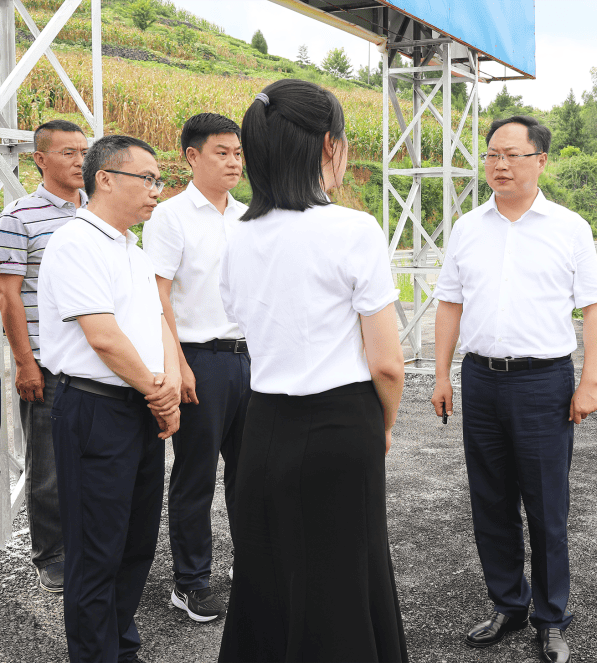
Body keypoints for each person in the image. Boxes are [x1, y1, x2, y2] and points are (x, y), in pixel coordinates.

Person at [216, 79, 408, 663]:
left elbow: (240, 321)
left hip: (265, 424)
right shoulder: (353, 230)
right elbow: (388, 365)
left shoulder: (239, 236)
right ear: (329, 146)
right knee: (345, 579)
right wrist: (385, 424)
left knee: (267, 575)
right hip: (340, 421)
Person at [430, 115, 597, 663]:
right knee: (490, 499)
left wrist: (590, 382)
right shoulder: (468, 227)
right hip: (482, 379)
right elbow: (449, 304)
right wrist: (442, 374)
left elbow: (594, 307)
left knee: (545, 504)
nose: (500, 165)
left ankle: (551, 618)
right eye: (491, 155)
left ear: (540, 161)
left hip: (543, 383)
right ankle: (508, 605)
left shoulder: (569, 228)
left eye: (512, 155)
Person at [38, 134, 181, 663]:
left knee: (135, 544)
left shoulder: (131, 249)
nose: (155, 192)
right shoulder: (76, 242)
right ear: (105, 179)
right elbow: (102, 335)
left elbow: (158, 321)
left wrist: (164, 384)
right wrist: (157, 391)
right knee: (96, 552)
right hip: (96, 408)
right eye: (147, 179)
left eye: (158, 181)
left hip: (140, 406)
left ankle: (122, 649)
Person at [143, 113, 249, 623]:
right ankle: (191, 582)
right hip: (199, 361)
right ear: (192, 156)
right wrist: (176, 363)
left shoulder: (248, 216)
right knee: (195, 476)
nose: (234, 161)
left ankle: (251, 566)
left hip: (250, 359)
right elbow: (156, 295)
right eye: (222, 152)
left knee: (252, 473)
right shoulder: (170, 216)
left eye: (238, 153)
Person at [0, 119, 88, 594]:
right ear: (40, 159)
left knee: (94, 461)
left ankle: (87, 544)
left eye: (84, 151)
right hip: (48, 364)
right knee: (50, 468)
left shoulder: (100, 210)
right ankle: (50, 554)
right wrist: (25, 362)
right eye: (69, 152)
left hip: (97, 363)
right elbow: (9, 297)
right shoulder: (19, 216)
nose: (80, 160)